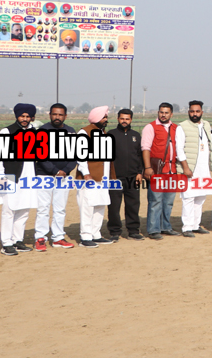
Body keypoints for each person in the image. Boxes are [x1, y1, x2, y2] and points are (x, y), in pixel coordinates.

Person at [0, 103, 40, 255]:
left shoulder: (35, 133)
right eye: (22, 116)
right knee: (9, 209)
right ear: (17, 116)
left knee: (24, 209)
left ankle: (17, 240)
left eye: (27, 116)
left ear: (31, 117)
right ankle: (6, 243)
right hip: (11, 176)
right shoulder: (6, 132)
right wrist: (0, 176)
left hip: (29, 176)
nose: (25, 119)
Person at [142, 102, 189, 239]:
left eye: (166, 113)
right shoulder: (150, 127)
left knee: (168, 201)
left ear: (171, 114)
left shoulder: (176, 128)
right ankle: (153, 229)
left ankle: (165, 227)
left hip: (172, 170)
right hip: (157, 170)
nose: (163, 115)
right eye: (161, 112)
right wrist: (147, 167)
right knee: (155, 201)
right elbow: (146, 148)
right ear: (158, 112)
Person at [33, 103, 77, 250]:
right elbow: (40, 155)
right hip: (44, 175)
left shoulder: (70, 131)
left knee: (60, 208)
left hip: (64, 177)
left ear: (65, 116)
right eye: (54, 114)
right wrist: (55, 171)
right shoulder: (43, 131)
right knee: (43, 208)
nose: (57, 117)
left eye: (60, 114)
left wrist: (65, 170)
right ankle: (40, 238)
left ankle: (58, 237)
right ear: (50, 115)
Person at [74, 106, 116, 247]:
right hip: (89, 177)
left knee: (100, 205)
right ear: (96, 118)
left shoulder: (103, 133)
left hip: (103, 177)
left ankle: (96, 234)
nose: (106, 120)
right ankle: (85, 237)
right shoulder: (84, 132)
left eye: (106, 117)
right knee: (87, 206)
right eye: (104, 117)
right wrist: (86, 173)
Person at [178, 101, 212, 237]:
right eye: (192, 111)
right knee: (188, 197)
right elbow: (179, 149)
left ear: (202, 112)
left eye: (197, 111)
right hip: (190, 169)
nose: (194, 114)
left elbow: (211, 147)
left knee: (200, 197)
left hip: (204, 168)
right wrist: (185, 167)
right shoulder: (182, 127)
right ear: (188, 112)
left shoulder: (206, 125)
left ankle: (195, 225)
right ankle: (187, 227)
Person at [107, 108, 144, 241]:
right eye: (122, 118)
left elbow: (140, 156)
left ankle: (133, 231)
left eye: (127, 119)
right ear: (118, 119)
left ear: (131, 120)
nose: (124, 121)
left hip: (133, 177)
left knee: (133, 205)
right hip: (115, 177)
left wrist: (139, 172)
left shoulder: (136, 135)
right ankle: (114, 232)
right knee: (114, 206)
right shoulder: (111, 134)